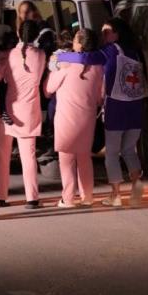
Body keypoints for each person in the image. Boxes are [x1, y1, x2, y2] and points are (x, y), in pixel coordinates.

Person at [57, 17, 146, 207]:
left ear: (117, 34)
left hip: (117, 107)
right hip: (136, 107)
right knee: (130, 149)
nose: (103, 35)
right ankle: (137, 187)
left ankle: (116, 195)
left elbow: (85, 57)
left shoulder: (111, 50)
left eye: (107, 31)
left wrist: (61, 57)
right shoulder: (135, 51)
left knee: (112, 152)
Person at [0, 20, 47, 209]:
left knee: (2, 154)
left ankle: (0, 197)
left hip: (6, 111)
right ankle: (32, 198)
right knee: (29, 156)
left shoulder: (7, 56)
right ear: (37, 36)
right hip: (29, 112)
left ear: (19, 34)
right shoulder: (41, 55)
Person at [44, 29, 103, 207]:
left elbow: (47, 90)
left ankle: (68, 198)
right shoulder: (98, 68)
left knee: (66, 158)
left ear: (80, 44)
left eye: (75, 39)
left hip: (66, 118)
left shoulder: (66, 66)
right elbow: (101, 97)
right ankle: (87, 197)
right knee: (85, 157)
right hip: (87, 118)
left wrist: (54, 72)